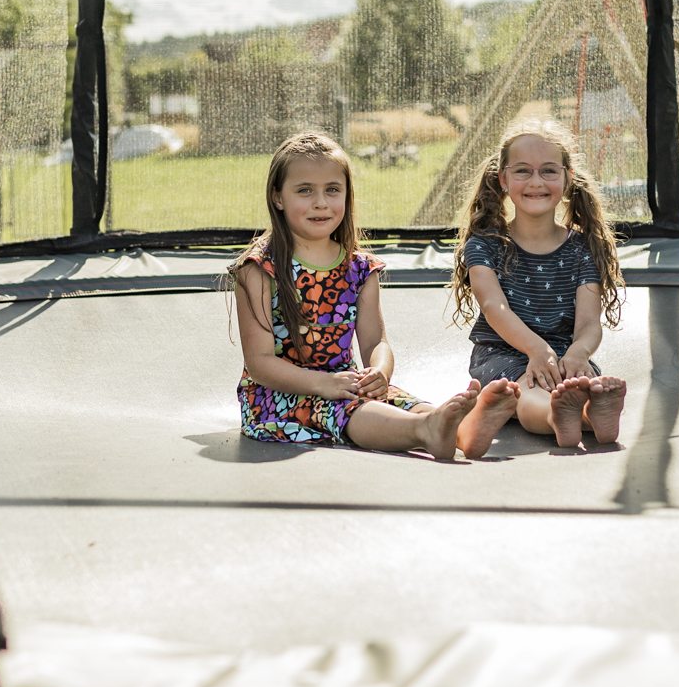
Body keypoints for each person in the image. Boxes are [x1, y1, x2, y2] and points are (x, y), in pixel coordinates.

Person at [232, 131, 515, 460]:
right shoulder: (259, 269)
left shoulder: (360, 268)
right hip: (274, 400)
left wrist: (380, 372)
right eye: (305, 190)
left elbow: (375, 342)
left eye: (332, 190)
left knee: (396, 399)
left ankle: (464, 431)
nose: (321, 202)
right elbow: (260, 363)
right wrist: (323, 385)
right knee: (349, 409)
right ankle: (424, 431)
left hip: (343, 384)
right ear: (278, 197)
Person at [450, 119, 629, 453]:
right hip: (502, 352)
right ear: (503, 179)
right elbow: (493, 307)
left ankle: (592, 415)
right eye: (522, 171)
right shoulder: (485, 245)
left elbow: (589, 323)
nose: (536, 182)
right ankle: (554, 416)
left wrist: (579, 353)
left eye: (548, 171)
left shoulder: (583, 248)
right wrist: (535, 349)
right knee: (527, 392)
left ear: (567, 178)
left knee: (581, 387)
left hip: (564, 354)